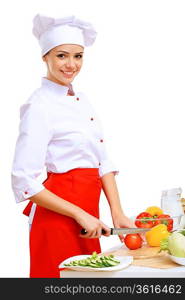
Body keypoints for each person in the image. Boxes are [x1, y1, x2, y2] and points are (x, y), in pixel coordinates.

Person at [11, 13, 134, 278]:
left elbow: (101, 161)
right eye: (61, 55)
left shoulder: (82, 99)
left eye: (78, 56)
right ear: (45, 57)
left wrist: (117, 213)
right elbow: (24, 180)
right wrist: (79, 214)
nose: (71, 65)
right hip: (58, 217)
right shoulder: (39, 106)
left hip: (88, 213)